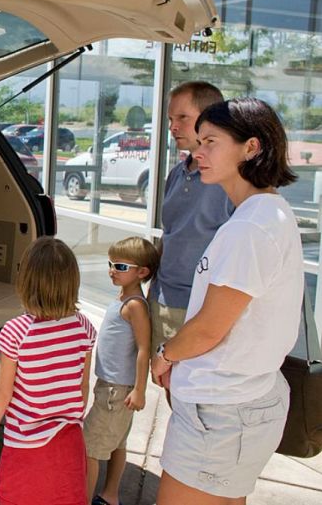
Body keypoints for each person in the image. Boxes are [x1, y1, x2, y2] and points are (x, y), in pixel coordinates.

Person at [151, 98, 302, 504]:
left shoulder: (250, 227)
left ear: (251, 147)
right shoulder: (268, 213)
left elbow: (208, 330)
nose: (197, 152)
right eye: (198, 141)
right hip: (234, 408)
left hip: (221, 415)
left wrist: (165, 354)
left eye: (211, 141)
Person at [0, 237, 96, 505]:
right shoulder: (84, 328)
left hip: (26, 445)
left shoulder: (16, 332)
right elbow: (83, 385)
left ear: (26, 281)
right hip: (69, 443)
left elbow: (2, 390)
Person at [149, 81, 232, 389]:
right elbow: (170, 234)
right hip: (162, 301)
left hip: (199, 311)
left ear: (210, 117)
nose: (173, 126)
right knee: (169, 389)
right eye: (170, 119)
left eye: (182, 118)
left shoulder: (229, 181)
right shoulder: (176, 173)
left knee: (193, 396)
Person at [85, 237, 158, 505]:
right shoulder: (123, 298)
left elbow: (143, 349)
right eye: (110, 263)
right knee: (116, 444)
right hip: (112, 387)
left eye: (119, 266)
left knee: (89, 448)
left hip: (117, 392)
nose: (111, 270)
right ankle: (110, 496)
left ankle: (82, 499)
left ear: (142, 272)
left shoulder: (135, 305)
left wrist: (140, 390)